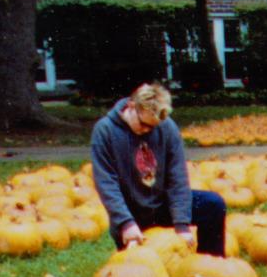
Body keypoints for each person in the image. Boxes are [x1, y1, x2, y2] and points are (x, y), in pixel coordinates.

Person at [89, 82, 228, 257]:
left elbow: (177, 177)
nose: (147, 130)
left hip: (162, 205)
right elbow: (106, 183)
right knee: (139, 271)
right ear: (132, 106)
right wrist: (125, 223)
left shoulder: (166, 127)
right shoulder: (105, 131)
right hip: (132, 213)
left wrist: (181, 224)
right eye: (143, 124)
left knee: (213, 205)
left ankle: (209, 264)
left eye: (153, 127)